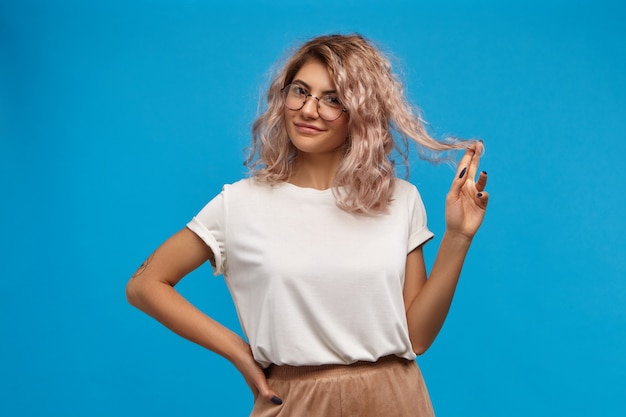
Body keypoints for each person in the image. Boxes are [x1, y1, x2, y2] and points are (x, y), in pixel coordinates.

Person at [126, 33, 488, 417]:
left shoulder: (400, 200)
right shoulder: (241, 204)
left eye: (333, 99)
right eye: (300, 91)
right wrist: (236, 349)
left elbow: (416, 338)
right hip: (295, 402)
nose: (309, 110)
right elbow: (145, 285)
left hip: (397, 398)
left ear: (361, 112)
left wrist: (458, 237)